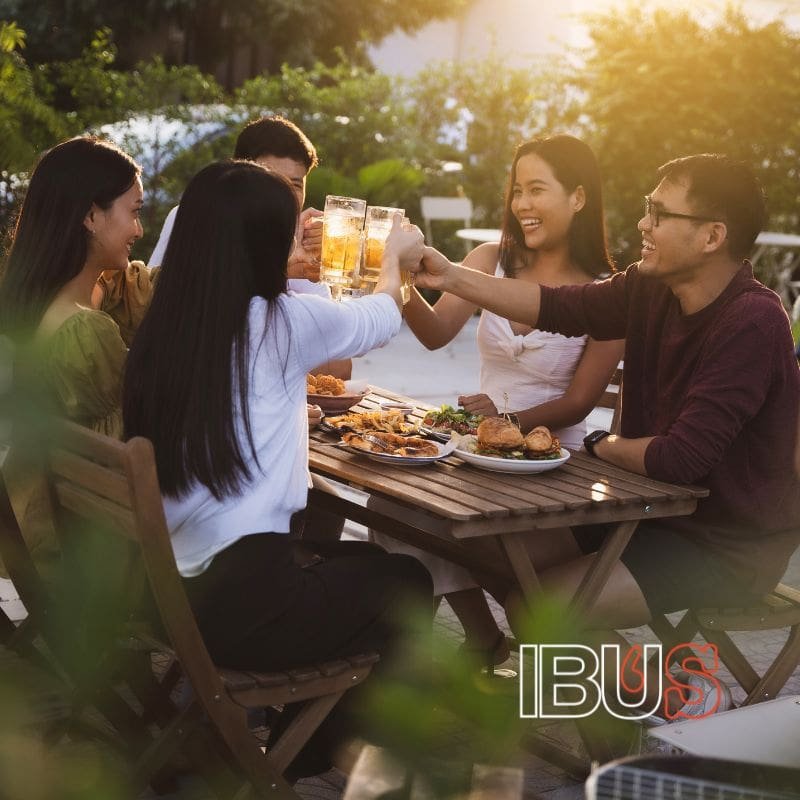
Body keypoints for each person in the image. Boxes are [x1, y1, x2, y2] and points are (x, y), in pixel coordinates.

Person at [410, 153, 800, 717]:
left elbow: (680, 459)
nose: (643, 224)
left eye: (659, 213)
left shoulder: (752, 321)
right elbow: (557, 307)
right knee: (481, 534)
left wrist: (597, 445)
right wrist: (448, 274)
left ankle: (683, 700)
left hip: (723, 544)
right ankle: (633, 687)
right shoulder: (651, 288)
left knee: (536, 609)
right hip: (646, 514)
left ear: (713, 236)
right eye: (647, 209)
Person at [122, 159, 433, 777]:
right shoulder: (281, 322)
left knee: (366, 565)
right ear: (262, 247)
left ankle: (291, 741)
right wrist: (396, 257)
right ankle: (298, 759)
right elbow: (380, 319)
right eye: (287, 234)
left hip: (163, 595)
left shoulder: (166, 328)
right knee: (408, 585)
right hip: (241, 613)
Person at [374, 135, 623, 667]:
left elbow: (580, 402)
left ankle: (529, 653)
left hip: (554, 463)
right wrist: (397, 276)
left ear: (579, 197)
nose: (522, 204)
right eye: (517, 190)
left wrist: (505, 420)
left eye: (538, 190)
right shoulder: (491, 259)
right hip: (477, 449)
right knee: (396, 502)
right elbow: (436, 333)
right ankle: (473, 640)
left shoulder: (606, 291)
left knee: (434, 510)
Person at [0, 136, 153, 577]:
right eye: (134, 212)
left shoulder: (58, 295)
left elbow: (149, 289)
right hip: (84, 561)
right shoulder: (83, 332)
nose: (140, 231)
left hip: (33, 536)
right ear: (90, 216)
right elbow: (131, 438)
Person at [148, 114, 351, 380]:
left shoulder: (302, 239)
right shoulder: (195, 218)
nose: (284, 196)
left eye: (295, 185)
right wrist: (283, 268)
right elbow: (167, 317)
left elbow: (339, 363)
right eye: (273, 182)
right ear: (239, 176)